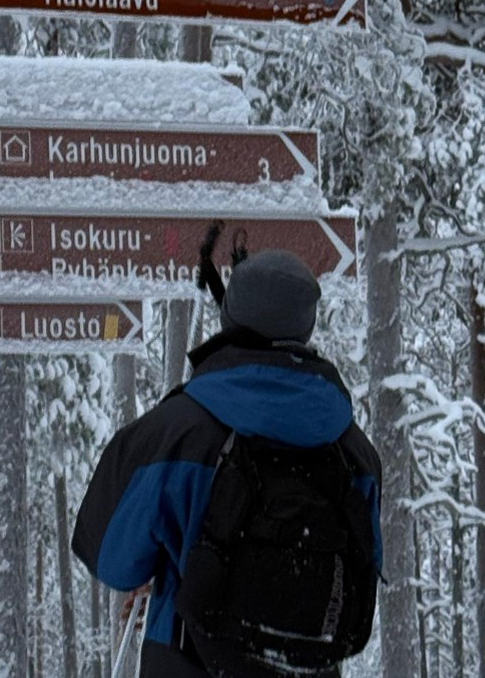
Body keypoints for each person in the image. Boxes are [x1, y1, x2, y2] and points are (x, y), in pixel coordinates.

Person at [72, 248, 383, 677]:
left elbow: (110, 558)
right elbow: (363, 570)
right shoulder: (355, 453)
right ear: (306, 325)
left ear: (230, 318)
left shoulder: (174, 433)